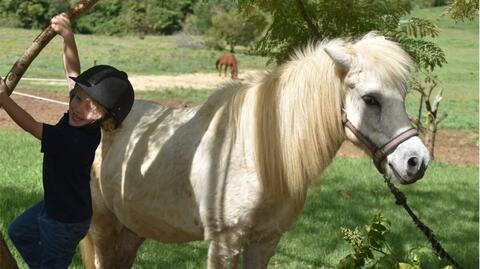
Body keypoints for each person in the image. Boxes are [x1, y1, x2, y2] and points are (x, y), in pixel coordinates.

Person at [0, 14, 134, 268]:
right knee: (19, 231)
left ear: (105, 120)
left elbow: (32, 126)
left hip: (65, 223)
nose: (79, 107)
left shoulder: (74, 140)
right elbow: (73, 74)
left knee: (52, 260)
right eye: (78, 98)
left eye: (91, 107)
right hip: (54, 207)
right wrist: (67, 36)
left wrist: (4, 99)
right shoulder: (81, 120)